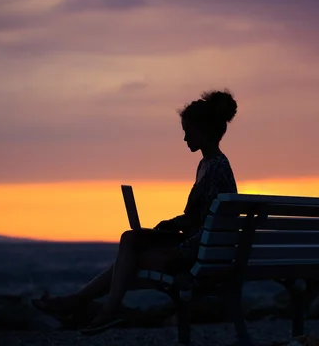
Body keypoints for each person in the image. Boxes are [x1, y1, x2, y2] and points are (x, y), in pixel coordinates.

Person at [32, 89, 238, 335]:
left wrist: (176, 251)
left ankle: (94, 306)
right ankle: (86, 302)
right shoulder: (207, 165)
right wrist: (173, 223)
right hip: (200, 249)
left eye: (188, 132)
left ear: (204, 131)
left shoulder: (217, 169)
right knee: (131, 238)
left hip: (200, 258)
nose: (184, 139)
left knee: (130, 259)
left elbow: (217, 228)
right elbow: (202, 218)